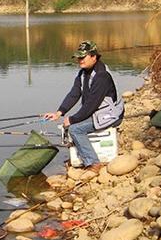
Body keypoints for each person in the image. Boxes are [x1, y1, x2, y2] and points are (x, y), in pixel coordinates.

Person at [42, 41, 124, 173]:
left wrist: (73, 119)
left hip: (110, 115)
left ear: (94, 57)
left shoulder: (101, 75)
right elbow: (74, 94)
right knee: (70, 126)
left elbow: (92, 104)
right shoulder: (83, 73)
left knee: (75, 129)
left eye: (83, 57)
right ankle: (83, 154)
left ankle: (93, 163)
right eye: (78, 58)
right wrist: (59, 112)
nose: (79, 61)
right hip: (98, 112)